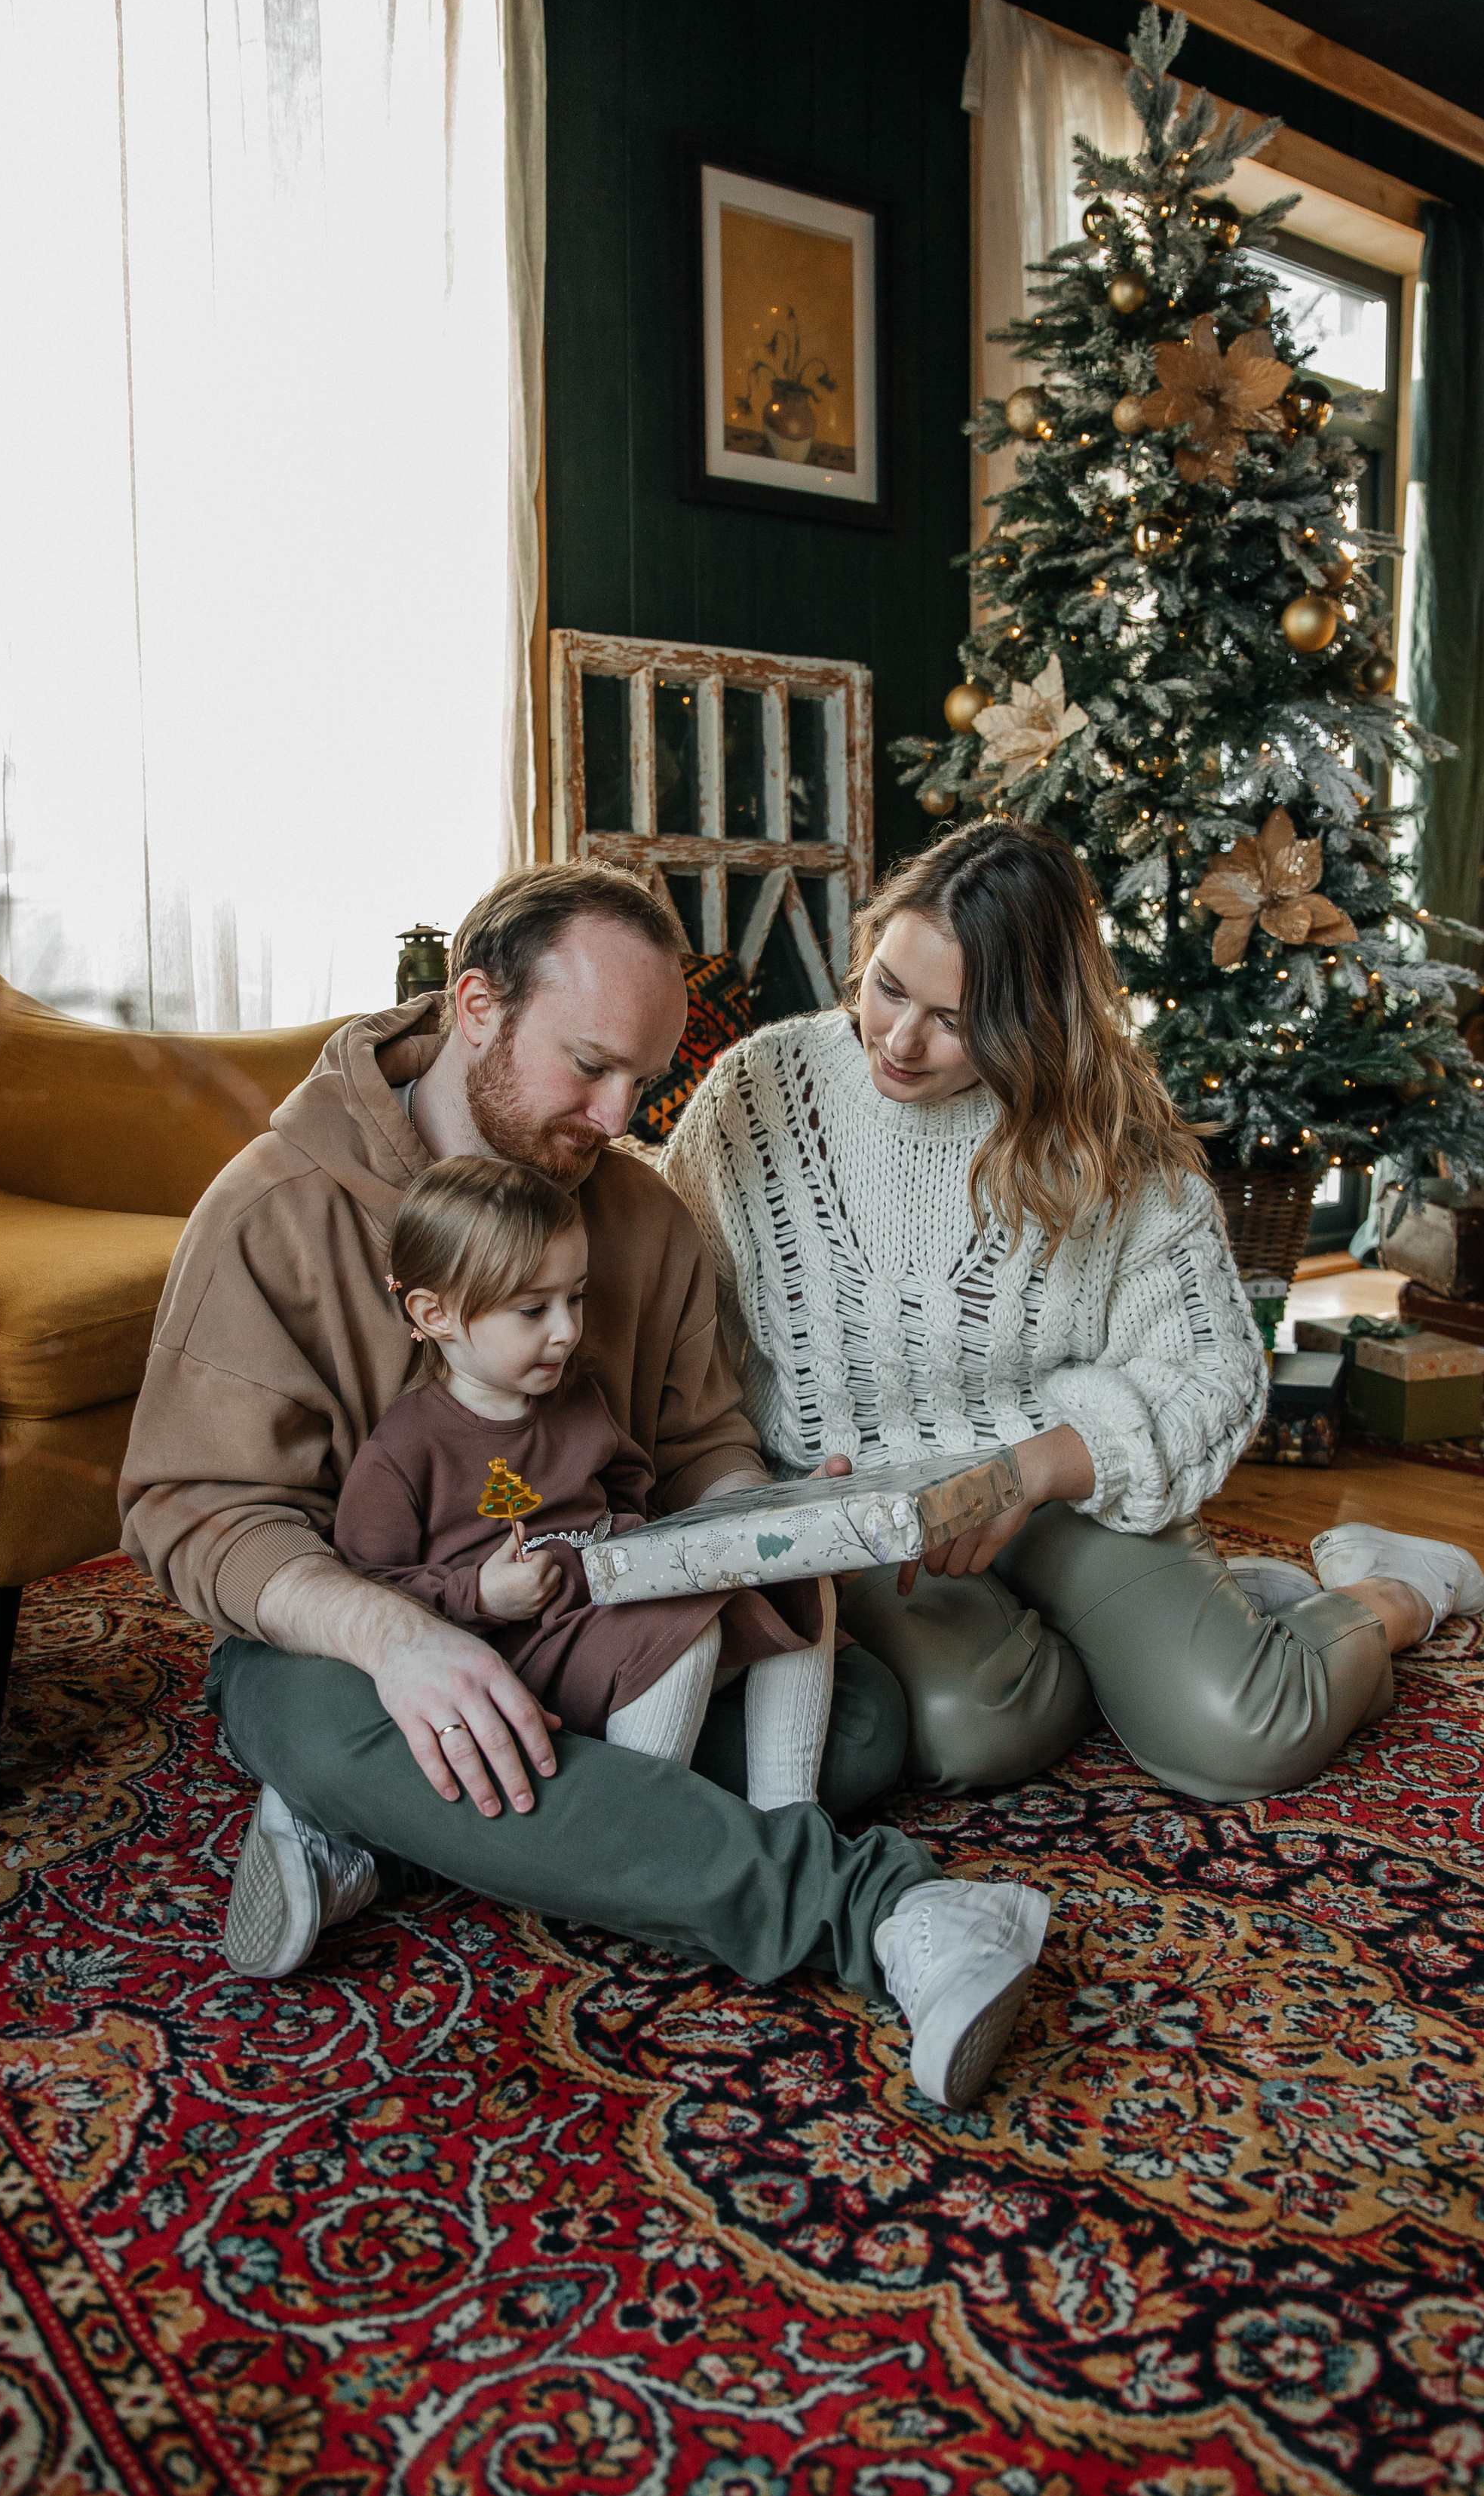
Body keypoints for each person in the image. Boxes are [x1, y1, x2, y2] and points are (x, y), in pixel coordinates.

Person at [119, 861, 1054, 2111]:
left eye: (646, 1080)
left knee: (864, 1714)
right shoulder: (275, 1210)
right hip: (350, 1647)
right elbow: (190, 1511)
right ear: (476, 1009)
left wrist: (760, 1518)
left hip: (586, 1624)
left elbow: (702, 1442)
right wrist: (396, 1639)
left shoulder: (642, 1218)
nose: (620, 1118)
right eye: (591, 1067)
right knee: (305, 1720)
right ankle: (889, 1910)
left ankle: (378, 1834)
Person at [663, 818, 1484, 1804]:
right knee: (967, 1731)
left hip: (1059, 1489)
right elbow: (674, 1316)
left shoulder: (1102, 1133)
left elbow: (1215, 1372)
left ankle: (1388, 1588)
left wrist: (1036, 1468)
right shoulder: (759, 1092)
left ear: (1028, 1019)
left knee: (1246, 1736)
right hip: (870, 1518)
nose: (899, 1039)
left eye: (954, 1018)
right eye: (889, 987)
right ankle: (1185, 1633)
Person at [336, 1152, 836, 1807]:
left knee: (806, 1574)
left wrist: (725, 1535)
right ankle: (629, 1849)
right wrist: (477, 1595)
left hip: (617, 1605)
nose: (568, 1331)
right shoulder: (405, 1447)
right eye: (531, 1311)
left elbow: (634, 1494)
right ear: (436, 1316)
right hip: (534, 1650)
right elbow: (369, 1586)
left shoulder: (580, 1400)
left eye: (575, 1298)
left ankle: (789, 1818)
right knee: (683, 1640)